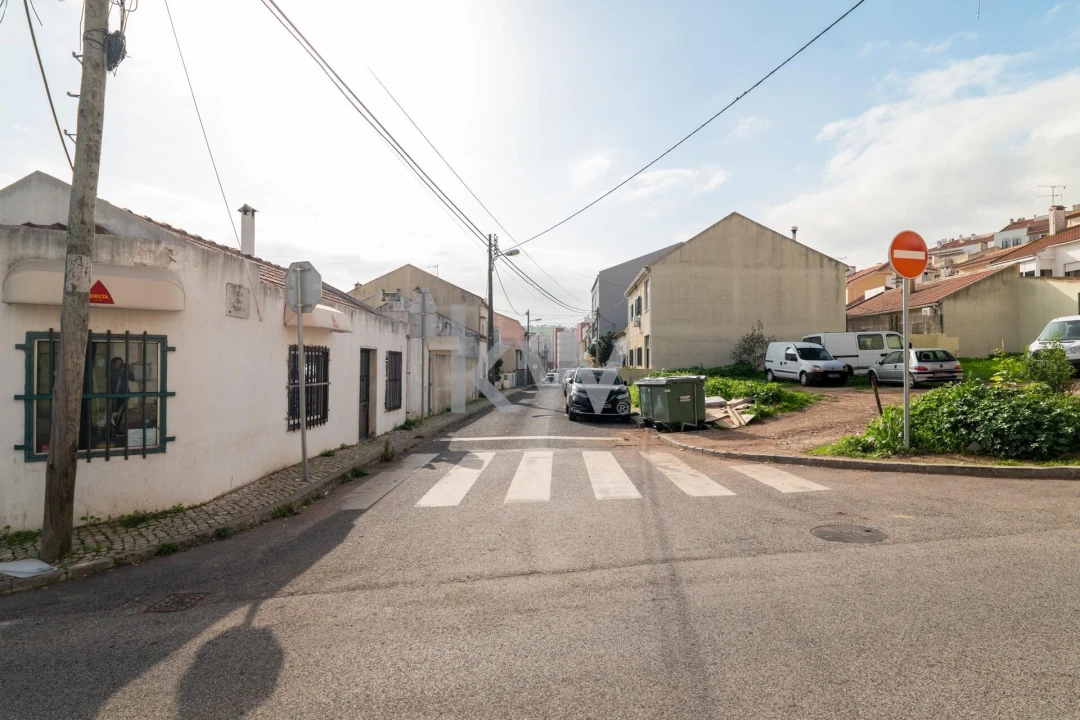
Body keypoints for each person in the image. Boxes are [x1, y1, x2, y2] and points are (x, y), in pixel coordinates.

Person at [108, 357, 135, 439]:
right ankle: (111, 431)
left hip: (124, 395)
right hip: (115, 396)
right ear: (112, 364)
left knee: (121, 414)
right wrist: (122, 371)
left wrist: (129, 370)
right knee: (114, 414)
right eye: (118, 363)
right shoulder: (110, 371)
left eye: (121, 363)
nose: (120, 365)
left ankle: (116, 430)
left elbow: (132, 378)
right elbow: (116, 379)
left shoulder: (123, 371)